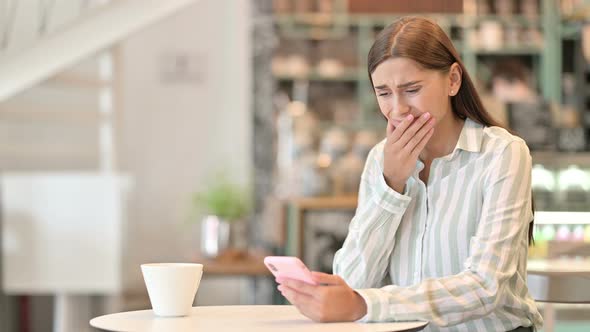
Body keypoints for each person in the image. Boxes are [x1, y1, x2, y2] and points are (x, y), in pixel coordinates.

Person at [275, 17, 543, 332]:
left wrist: (366, 304)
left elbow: (486, 287)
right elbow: (351, 280)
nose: (398, 108)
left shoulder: (502, 154)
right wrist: (391, 187)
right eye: (384, 93)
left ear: (453, 80)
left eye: (412, 89)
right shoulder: (380, 159)